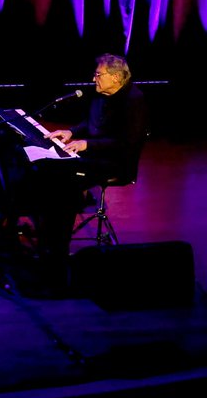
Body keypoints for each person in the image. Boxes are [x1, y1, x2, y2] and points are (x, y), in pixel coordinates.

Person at [26, 53, 148, 261]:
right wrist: (72, 132)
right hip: (93, 156)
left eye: (98, 75)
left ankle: (56, 251)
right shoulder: (102, 94)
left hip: (115, 163)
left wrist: (86, 144)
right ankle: (47, 237)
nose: (94, 79)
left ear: (116, 77)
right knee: (47, 171)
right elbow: (90, 122)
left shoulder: (134, 101)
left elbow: (126, 142)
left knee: (64, 182)